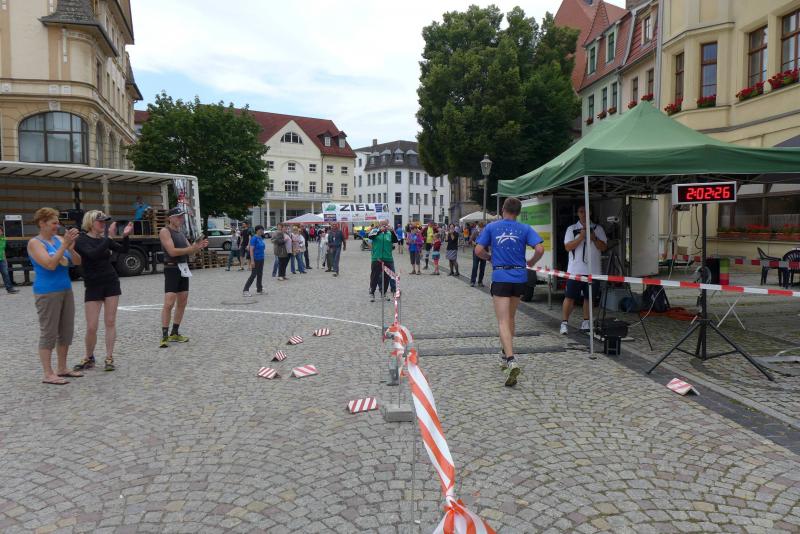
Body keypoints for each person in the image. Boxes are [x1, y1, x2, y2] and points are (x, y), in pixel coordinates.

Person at [475, 197, 545, 387]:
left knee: (502, 320)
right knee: (511, 317)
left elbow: (478, 250)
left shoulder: (492, 227)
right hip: (519, 277)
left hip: (501, 276)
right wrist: (531, 263)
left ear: (503, 209)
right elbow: (540, 248)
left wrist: (489, 257)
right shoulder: (525, 228)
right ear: (518, 212)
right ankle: (505, 353)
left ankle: (511, 359)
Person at [27, 207, 83, 384]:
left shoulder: (59, 239)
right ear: (42, 223)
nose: (57, 226)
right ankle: (48, 373)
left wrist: (71, 249)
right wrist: (65, 245)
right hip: (47, 292)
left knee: (66, 331)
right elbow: (50, 265)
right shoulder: (35, 243)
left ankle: (62, 368)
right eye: (53, 223)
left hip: (65, 289)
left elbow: (77, 262)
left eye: (57, 222)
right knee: (49, 332)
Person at [72, 211, 133, 372]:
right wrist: (109, 238)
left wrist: (125, 236)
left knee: (110, 322)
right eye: (100, 221)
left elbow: (124, 250)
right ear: (90, 222)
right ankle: (89, 357)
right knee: (91, 326)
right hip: (93, 285)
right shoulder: (81, 240)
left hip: (110, 282)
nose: (103, 224)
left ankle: (109, 357)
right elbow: (92, 254)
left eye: (105, 222)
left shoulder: (103, 240)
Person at [158, 207, 208, 348]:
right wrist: (191, 249)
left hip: (183, 268)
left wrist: (198, 246)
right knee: (169, 302)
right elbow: (172, 252)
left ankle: (175, 332)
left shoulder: (181, 233)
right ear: (170, 218)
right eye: (178, 216)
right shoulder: (165, 231)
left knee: (182, 301)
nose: (181, 219)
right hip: (171, 268)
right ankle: (164, 335)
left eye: (181, 216)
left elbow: (190, 253)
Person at [561, 205, 607, 335]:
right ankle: (564, 323)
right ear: (578, 213)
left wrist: (594, 238)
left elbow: (604, 247)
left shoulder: (598, 229)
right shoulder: (571, 229)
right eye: (581, 211)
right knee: (569, 297)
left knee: (589, 298)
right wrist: (581, 237)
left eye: (586, 211)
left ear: (590, 213)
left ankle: (586, 322)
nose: (584, 214)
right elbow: (568, 247)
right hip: (575, 270)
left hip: (593, 270)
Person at [367, 219, 398, 301]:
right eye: (383, 225)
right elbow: (370, 236)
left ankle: (383, 293)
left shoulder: (389, 233)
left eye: (386, 225)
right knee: (375, 276)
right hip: (377, 258)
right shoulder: (375, 231)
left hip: (388, 258)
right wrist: (380, 231)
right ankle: (372, 292)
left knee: (386, 277)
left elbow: (395, 240)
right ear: (379, 225)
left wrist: (392, 231)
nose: (384, 226)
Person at [243, 225, 266, 296]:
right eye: (260, 230)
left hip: (261, 258)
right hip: (255, 259)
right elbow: (251, 250)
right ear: (257, 230)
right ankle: (245, 290)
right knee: (253, 275)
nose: (262, 231)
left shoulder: (260, 238)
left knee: (260, 274)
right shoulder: (254, 238)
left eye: (262, 230)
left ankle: (259, 289)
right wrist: (252, 261)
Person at [0, 224, 19, 294]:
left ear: (2, 232)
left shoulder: (3, 239)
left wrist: (5, 260)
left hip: (2, 259)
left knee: (5, 274)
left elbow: (3, 250)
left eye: (0, 231)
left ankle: (10, 289)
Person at [469, 221, 487, 287]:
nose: (481, 228)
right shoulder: (475, 232)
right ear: (478, 227)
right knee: (475, 266)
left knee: (482, 267)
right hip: (476, 251)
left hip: (484, 251)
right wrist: (474, 243)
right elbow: (470, 240)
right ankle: (472, 281)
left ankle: (480, 281)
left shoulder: (486, 233)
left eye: (483, 227)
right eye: (480, 227)